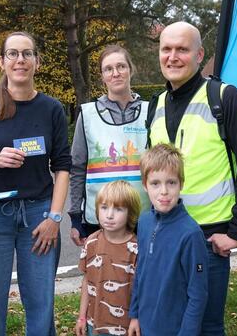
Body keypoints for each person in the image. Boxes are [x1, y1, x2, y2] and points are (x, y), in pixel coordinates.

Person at [147, 21, 237, 334]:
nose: (172, 56)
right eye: (166, 49)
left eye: (182, 49)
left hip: (209, 241)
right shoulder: (156, 105)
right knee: (169, 322)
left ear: (199, 55)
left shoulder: (224, 97)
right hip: (166, 237)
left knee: (207, 325)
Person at [0, 31, 71, 336]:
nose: (20, 59)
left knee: (40, 302)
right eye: (13, 54)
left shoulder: (51, 109)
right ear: (2, 62)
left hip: (39, 217)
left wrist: (54, 218)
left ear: (36, 61)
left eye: (27, 53)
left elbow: (62, 167)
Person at [69, 45, 150, 246]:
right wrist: (75, 217)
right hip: (101, 219)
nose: (116, 73)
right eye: (108, 69)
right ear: (102, 76)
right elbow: (77, 168)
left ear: (131, 69)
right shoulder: (87, 115)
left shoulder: (152, 111)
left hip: (145, 217)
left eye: (121, 66)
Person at [128, 143, 208, 336]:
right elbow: (140, 272)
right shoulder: (145, 222)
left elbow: (198, 293)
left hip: (174, 329)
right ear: (145, 185)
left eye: (171, 182)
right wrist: (135, 315)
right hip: (145, 325)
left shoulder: (191, 234)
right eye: (155, 183)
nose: (164, 191)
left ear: (181, 183)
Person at [75, 180, 140, 336]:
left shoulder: (137, 248)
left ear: (130, 213)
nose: (109, 215)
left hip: (126, 326)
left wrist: (136, 319)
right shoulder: (91, 242)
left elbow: (142, 289)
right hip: (95, 323)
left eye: (118, 209)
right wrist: (81, 317)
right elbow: (86, 281)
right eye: (104, 208)